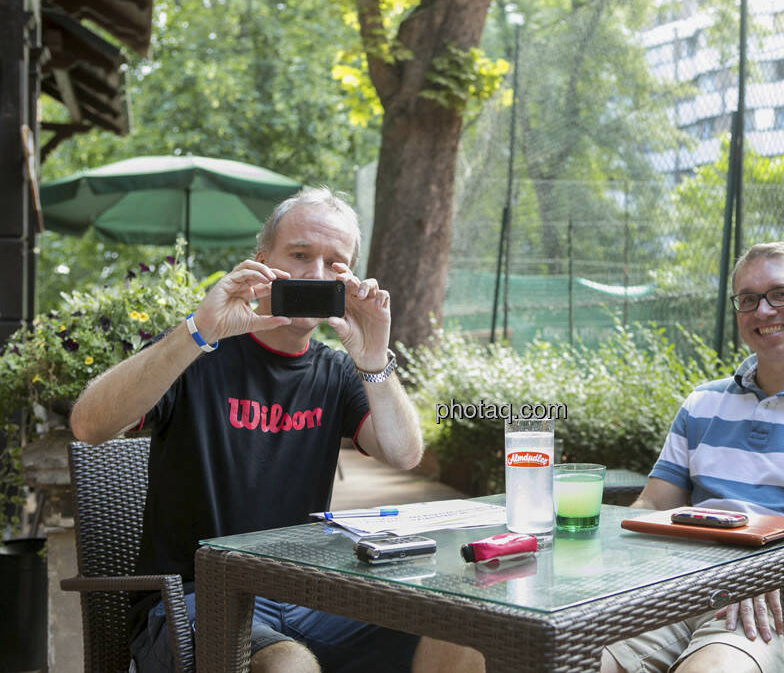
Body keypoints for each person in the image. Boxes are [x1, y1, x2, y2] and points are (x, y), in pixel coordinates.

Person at [70, 187, 484, 673]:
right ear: (262, 262)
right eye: (300, 255)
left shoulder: (337, 372)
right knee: (288, 665)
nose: (314, 273)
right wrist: (198, 330)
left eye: (335, 263)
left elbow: (404, 454)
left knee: (463, 637)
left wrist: (374, 357)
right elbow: (88, 425)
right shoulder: (198, 352)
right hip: (197, 598)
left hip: (306, 590)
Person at [601, 241, 784, 673]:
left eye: (781, 294)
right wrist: (610, 550)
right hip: (678, 588)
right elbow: (653, 504)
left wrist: (770, 570)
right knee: (569, 660)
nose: (764, 311)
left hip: (783, 605)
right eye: (748, 299)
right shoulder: (702, 403)